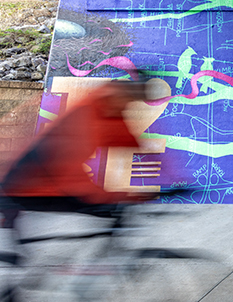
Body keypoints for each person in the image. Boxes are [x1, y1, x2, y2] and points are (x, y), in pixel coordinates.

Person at [0, 80, 154, 227]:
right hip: (35, 186)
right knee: (105, 209)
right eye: (127, 100)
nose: (127, 106)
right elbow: (68, 171)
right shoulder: (84, 118)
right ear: (115, 96)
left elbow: (124, 138)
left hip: (43, 182)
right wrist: (113, 196)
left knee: (106, 208)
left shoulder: (105, 111)